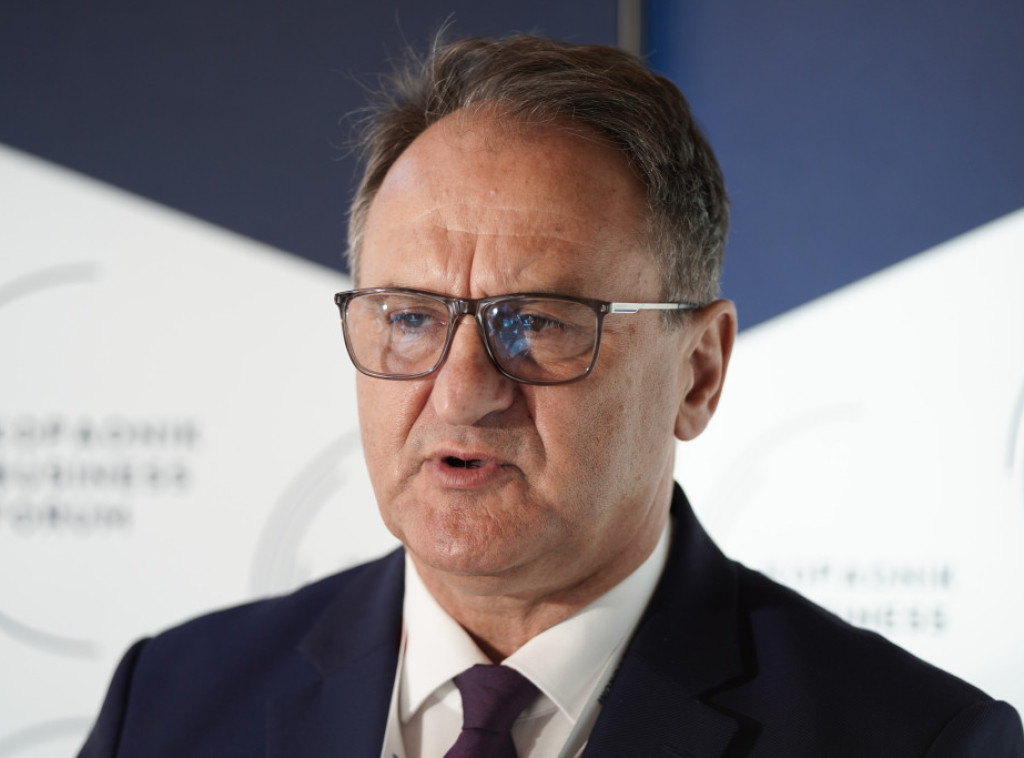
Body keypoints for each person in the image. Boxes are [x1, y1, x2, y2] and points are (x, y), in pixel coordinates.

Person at [79, 34, 1023, 758]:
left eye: (536, 321)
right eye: (409, 316)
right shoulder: (167, 703)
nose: (462, 392)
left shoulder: (916, 741)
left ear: (698, 371)